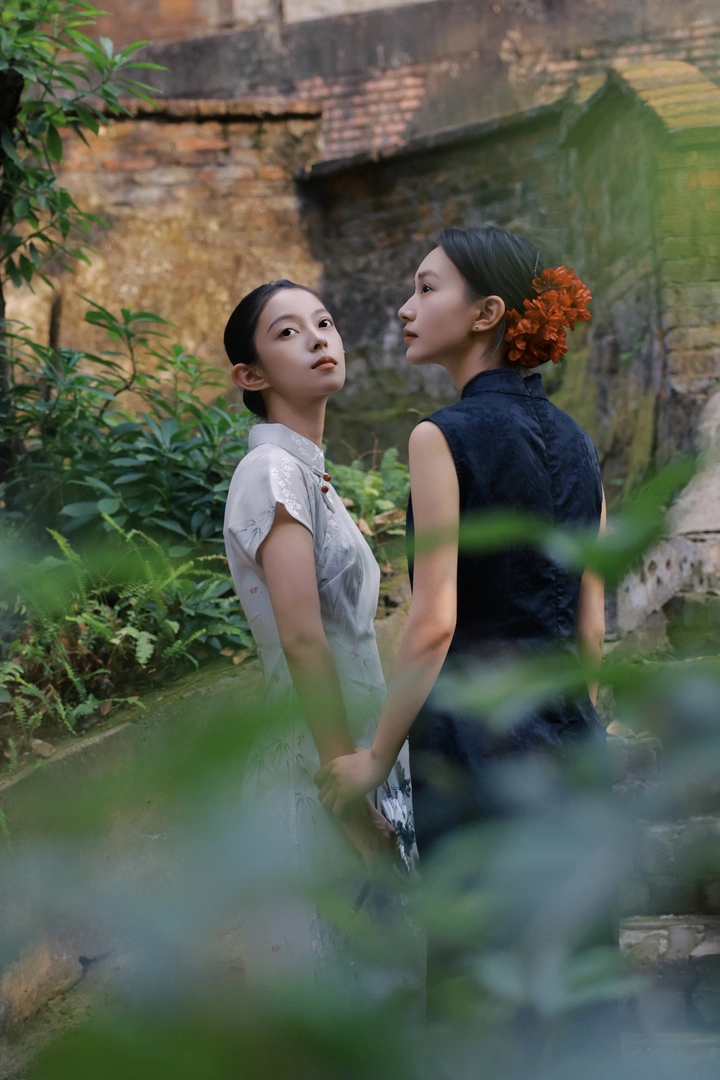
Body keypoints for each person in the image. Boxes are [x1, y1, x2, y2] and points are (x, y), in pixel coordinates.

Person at [314, 228, 610, 1025]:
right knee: (573, 988)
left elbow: (434, 621)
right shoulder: (580, 444)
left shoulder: (440, 435)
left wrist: (375, 759)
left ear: (486, 313)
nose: (405, 309)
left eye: (425, 288)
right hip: (572, 744)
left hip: (476, 751)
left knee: (481, 993)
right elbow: (590, 624)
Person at [222, 279, 418, 995]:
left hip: (353, 751)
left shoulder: (308, 475)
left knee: (380, 983)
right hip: (322, 766)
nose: (317, 338)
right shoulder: (272, 472)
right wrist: (347, 797)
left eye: (324, 322)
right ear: (251, 376)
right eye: (287, 332)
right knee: (337, 986)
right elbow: (304, 641)